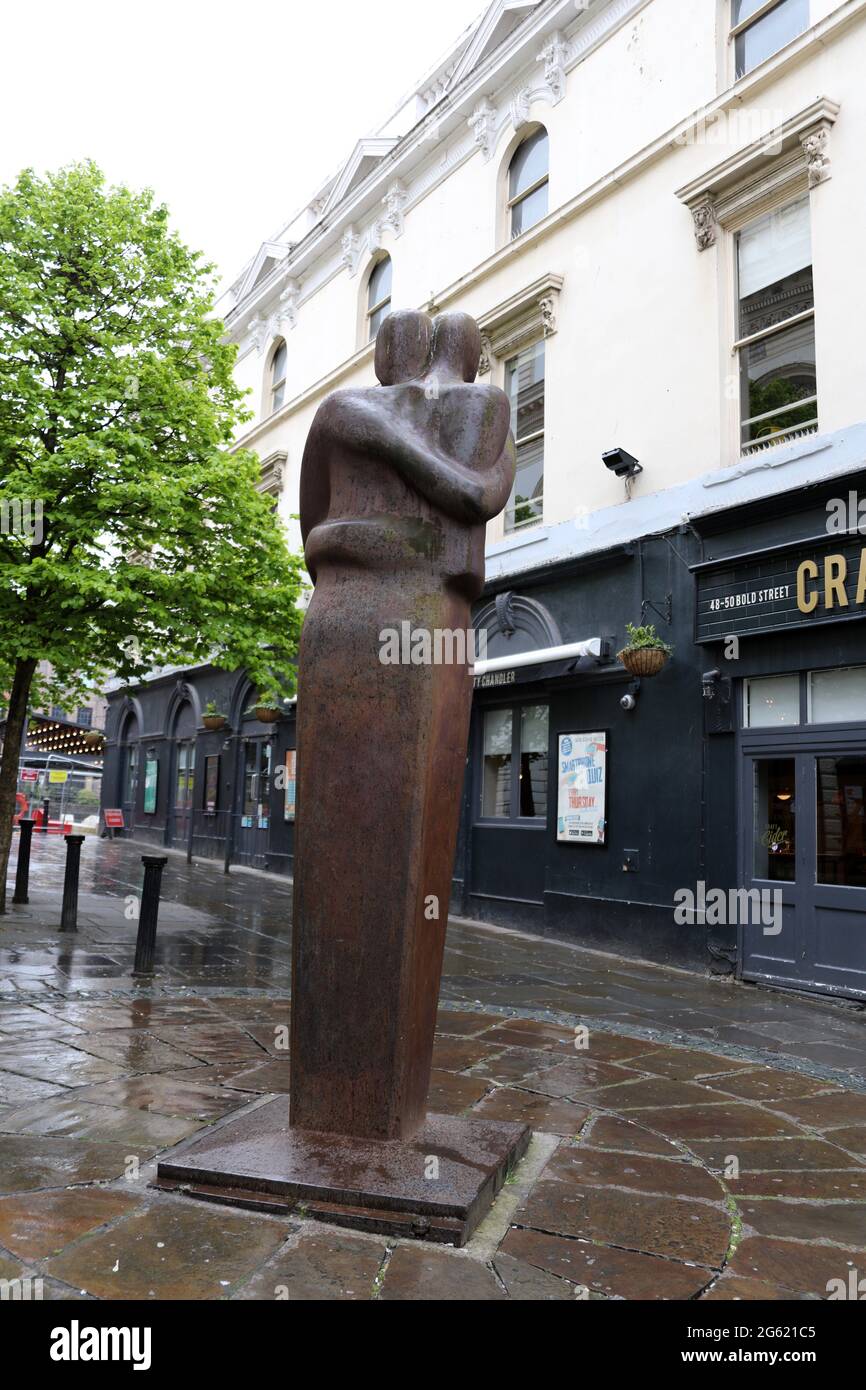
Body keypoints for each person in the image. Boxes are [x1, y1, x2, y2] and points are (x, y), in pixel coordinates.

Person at [290, 309, 515, 1141]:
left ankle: (333, 1101)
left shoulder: (342, 413)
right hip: (429, 612)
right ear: (470, 346)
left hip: (343, 603)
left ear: (393, 351)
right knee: (403, 834)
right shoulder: (486, 409)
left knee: (343, 839)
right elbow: (480, 496)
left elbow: (309, 516)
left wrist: (381, 446)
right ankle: (371, 1107)